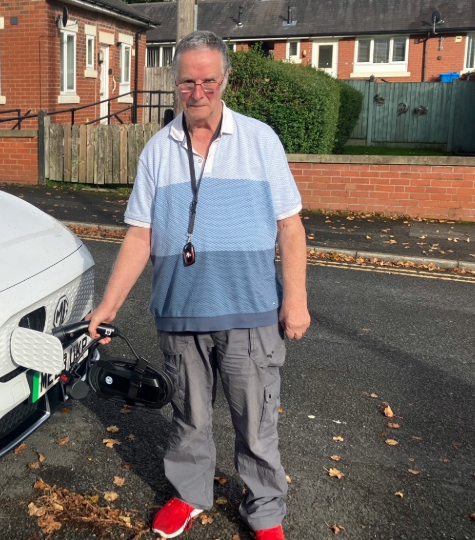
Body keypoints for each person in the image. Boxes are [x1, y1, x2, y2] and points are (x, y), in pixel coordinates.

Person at [85, 31, 310, 540]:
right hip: (180, 313)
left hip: (251, 312)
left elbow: (290, 226)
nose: (198, 91)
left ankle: (266, 511)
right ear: (175, 85)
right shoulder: (157, 151)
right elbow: (140, 234)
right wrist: (109, 305)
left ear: (225, 80)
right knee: (188, 418)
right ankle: (189, 495)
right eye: (188, 81)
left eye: (209, 80)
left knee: (256, 425)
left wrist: (294, 299)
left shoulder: (259, 141)